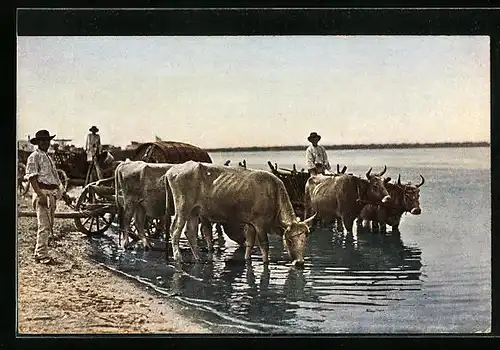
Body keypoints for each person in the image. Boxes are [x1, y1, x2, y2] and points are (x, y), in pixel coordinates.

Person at [24, 129, 64, 264]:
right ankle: (40, 254)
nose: (45, 143)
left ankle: (42, 251)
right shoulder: (34, 157)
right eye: (43, 140)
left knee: (49, 224)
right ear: (38, 142)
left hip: (51, 194)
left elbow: (55, 178)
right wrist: (40, 195)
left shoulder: (47, 156)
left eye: (47, 140)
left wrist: (62, 193)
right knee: (44, 225)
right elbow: (32, 178)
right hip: (43, 193)